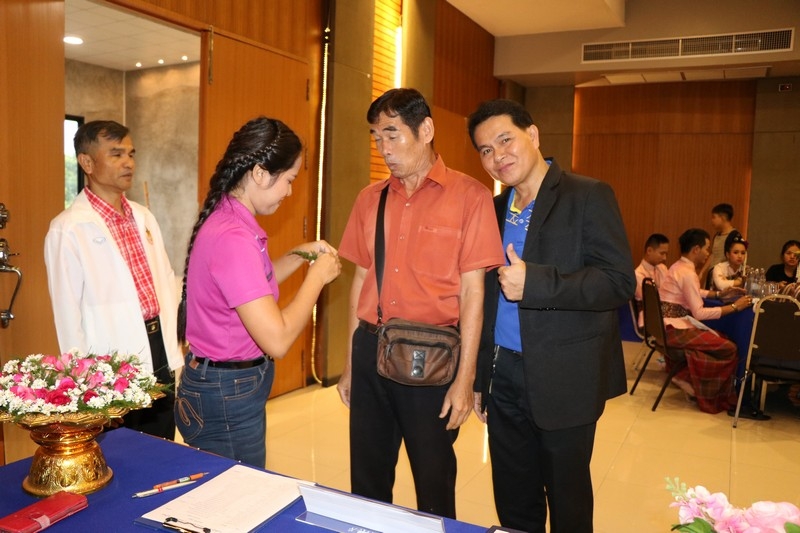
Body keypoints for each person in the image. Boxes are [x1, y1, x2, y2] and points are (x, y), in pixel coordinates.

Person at [467, 99, 635, 533]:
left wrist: (537, 284)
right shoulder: (494, 209)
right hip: (503, 374)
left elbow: (618, 281)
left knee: (567, 503)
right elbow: (485, 300)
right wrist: (481, 377)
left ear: (533, 134)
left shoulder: (587, 195)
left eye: (505, 140)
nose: (498, 156)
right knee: (513, 499)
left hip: (566, 376)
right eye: (485, 150)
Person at [336, 88, 504, 519]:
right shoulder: (370, 198)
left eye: (392, 135)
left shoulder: (470, 197)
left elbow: (474, 293)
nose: (384, 149)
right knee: (367, 479)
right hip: (371, 347)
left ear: (425, 130)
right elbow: (361, 279)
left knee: (433, 480)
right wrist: (350, 364)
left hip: (432, 357)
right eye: (377, 138)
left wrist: (465, 379)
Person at [174, 116, 341, 467]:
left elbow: (252, 289)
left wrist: (300, 256)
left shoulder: (229, 217)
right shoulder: (233, 237)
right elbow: (277, 340)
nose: (289, 192)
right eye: (289, 180)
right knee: (237, 493)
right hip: (227, 393)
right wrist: (316, 278)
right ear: (261, 174)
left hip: (224, 386)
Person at [44, 120, 182, 439]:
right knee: (121, 449)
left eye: (131, 154)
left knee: (162, 442)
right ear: (87, 162)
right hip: (110, 363)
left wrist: (177, 344)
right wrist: (84, 384)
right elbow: (67, 316)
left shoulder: (143, 217)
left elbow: (165, 280)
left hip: (158, 345)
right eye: (116, 154)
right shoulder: (68, 228)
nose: (128, 162)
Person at [658, 228, 751, 414]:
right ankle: (691, 381)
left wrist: (718, 295)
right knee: (729, 348)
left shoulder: (678, 266)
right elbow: (699, 313)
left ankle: (686, 376)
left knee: (720, 338)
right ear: (696, 250)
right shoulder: (687, 272)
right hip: (674, 330)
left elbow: (692, 291)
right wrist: (735, 306)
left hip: (665, 326)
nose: (708, 253)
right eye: (707, 248)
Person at [701, 203, 737, 288]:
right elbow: (713, 255)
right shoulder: (717, 235)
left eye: (714, 217)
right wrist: (702, 272)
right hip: (712, 274)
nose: (712, 220)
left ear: (723, 218)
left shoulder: (734, 236)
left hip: (724, 277)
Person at [634, 233, 670, 315]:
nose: (664, 258)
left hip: (664, 311)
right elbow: (650, 301)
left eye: (666, 254)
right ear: (649, 251)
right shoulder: (638, 275)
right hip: (648, 315)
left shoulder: (662, 268)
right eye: (662, 253)